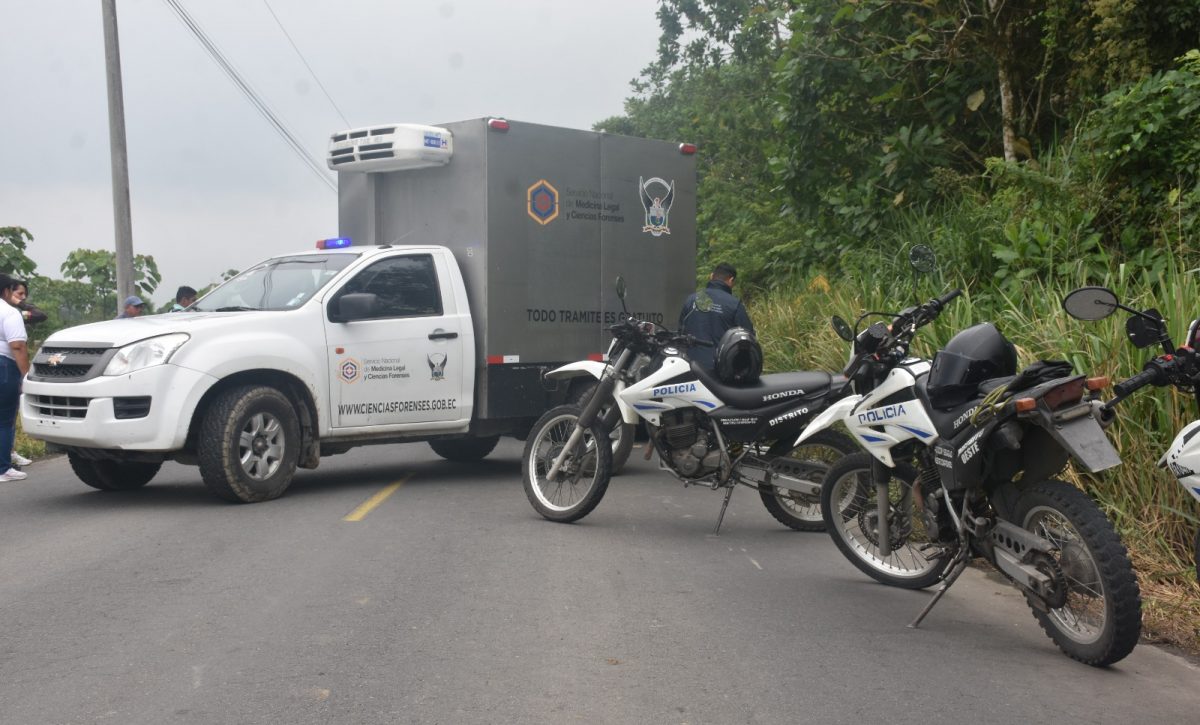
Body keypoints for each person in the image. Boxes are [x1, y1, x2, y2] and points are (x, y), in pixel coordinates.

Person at [679, 262, 755, 372]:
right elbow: (748, 338)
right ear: (731, 280)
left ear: (711, 276)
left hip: (689, 368)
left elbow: (680, 333)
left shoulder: (691, 299)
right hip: (720, 371)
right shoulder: (734, 304)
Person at [0, 274, 29, 481]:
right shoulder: (9, 312)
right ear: (7, 291)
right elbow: (17, 346)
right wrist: (25, 376)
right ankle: (3, 469)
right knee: (4, 420)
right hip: (4, 366)